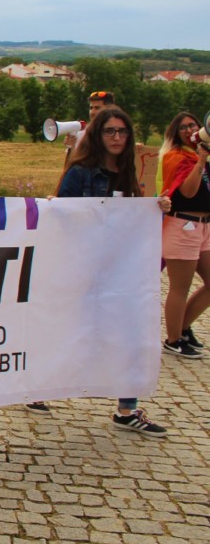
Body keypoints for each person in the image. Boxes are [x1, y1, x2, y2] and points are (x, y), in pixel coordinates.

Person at [23, 108, 170, 435]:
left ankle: (126, 409)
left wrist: (156, 209)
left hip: (119, 271)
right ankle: (38, 386)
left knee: (130, 333)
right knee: (65, 330)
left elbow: (132, 223)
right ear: (98, 136)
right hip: (81, 268)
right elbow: (63, 219)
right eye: (110, 132)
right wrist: (55, 207)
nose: (117, 138)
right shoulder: (81, 173)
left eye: (122, 131)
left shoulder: (131, 172)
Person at [158, 110, 210, 358]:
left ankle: (184, 328)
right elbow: (188, 193)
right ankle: (173, 338)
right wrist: (200, 162)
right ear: (175, 135)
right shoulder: (175, 157)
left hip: (204, 226)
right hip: (182, 225)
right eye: (183, 128)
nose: (190, 130)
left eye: (193, 125)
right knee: (180, 287)